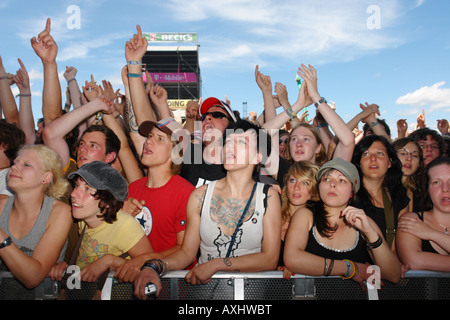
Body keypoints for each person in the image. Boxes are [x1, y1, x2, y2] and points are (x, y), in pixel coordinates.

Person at [133, 120, 281, 299]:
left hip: (250, 296)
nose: (230, 147)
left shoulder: (268, 197)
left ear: (258, 157)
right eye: (227, 141)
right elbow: (187, 253)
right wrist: (154, 266)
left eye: (241, 142)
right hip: (202, 295)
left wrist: (217, 264)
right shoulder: (199, 196)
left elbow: (270, 259)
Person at [283, 157, 401, 288]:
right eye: (326, 179)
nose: (332, 184)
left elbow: (394, 275)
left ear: (352, 191)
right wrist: (350, 268)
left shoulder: (364, 222)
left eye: (341, 180)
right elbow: (292, 259)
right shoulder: (305, 215)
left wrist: (370, 233)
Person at [48, 160, 153, 284]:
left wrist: (110, 261)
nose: (74, 194)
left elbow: (149, 267)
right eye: (77, 185)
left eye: (87, 189)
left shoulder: (125, 226)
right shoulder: (84, 219)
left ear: (107, 201)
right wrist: (63, 268)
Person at [117, 117, 195, 277]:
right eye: (149, 136)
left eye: (160, 139)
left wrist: (146, 260)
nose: (149, 142)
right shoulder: (132, 189)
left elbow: (184, 249)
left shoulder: (186, 194)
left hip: (171, 285)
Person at [0, 144, 72, 298]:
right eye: (15, 163)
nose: (14, 167)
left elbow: (32, 277)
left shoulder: (58, 212)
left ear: (46, 177)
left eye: (26, 164)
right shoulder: (0, 205)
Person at [351, 135, 409, 248]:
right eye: (366, 154)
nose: (373, 159)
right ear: (359, 162)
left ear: (389, 162)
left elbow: (396, 249)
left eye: (380, 153)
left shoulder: (399, 198)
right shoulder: (347, 195)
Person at [396, 157, 450, 272]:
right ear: (428, 189)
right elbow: (414, 261)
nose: (445, 189)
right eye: (436, 182)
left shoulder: (422, 228)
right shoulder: (412, 220)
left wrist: (431, 233)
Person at [278, 161, 319, 279]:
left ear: (315, 189)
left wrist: (298, 266)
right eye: (292, 180)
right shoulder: (273, 214)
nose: (296, 187)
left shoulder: (318, 223)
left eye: (305, 183)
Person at [392, 138, 425, 212]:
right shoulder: (383, 190)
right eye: (402, 153)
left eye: (415, 155)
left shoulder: (420, 193)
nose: (409, 158)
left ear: (419, 163)